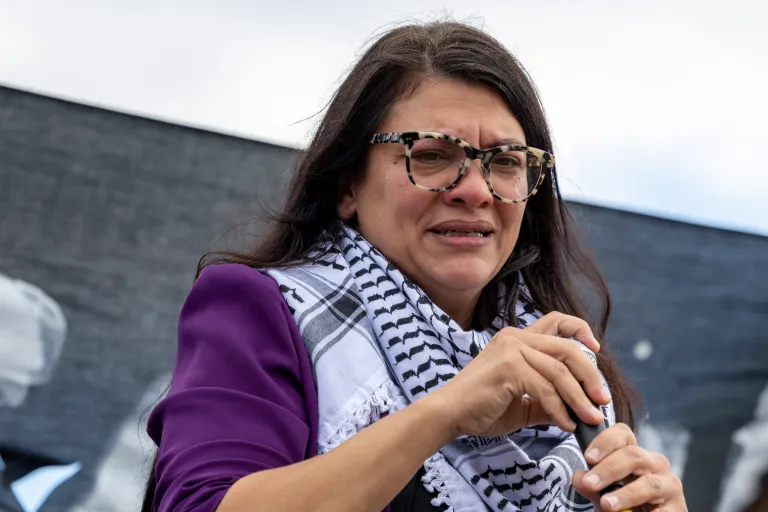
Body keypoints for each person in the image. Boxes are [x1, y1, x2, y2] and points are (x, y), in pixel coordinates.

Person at [142, 20, 687, 512]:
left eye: (505, 163)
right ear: (347, 183)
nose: (475, 191)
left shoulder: (570, 368)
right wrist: (446, 411)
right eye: (429, 155)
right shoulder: (260, 308)